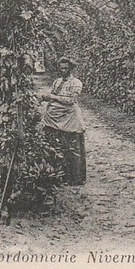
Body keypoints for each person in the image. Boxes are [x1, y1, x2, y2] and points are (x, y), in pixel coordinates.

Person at [40, 56, 86, 185]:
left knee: (72, 147)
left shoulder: (76, 83)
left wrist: (52, 97)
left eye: (66, 68)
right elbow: (52, 96)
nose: (63, 70)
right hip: (55, 117)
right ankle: (59, 175)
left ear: (71, 69)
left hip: (70, 117)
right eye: (61, 68)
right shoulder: (57, 82)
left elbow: (71, 100)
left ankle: (75, 178)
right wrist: (44, 97)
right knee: (56, 145)